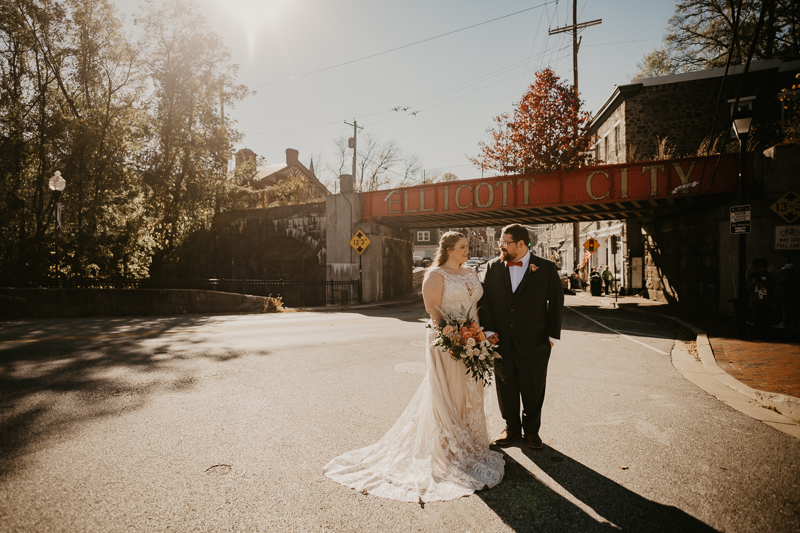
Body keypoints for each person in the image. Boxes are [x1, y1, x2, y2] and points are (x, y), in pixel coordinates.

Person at [323, 231, 504, 502]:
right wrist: (457, 337)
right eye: (463, 247)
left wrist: (478, 335)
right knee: (448, 392)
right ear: (450, 250)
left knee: (469, 390)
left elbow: (475, 306)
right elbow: (434, 313)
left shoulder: (469, 272)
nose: (468, 250)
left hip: (472, 338)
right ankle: (446, 446)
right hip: (447, 341)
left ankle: (471, 441)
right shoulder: (435, 275)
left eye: (467, 246)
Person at [478, 224, 564, 449]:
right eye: (500, 242)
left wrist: (552, 337)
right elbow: (485, 302)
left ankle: (532, 431)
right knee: (505, 387)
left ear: (521, 244)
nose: (501, 246)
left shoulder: (545, 268)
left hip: (535, 341)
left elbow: (556, 303)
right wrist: (488, 331)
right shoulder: (492, 267)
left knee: (533, 387)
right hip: (501, 341)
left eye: (505, 242)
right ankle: (511, 428)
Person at [747, 257, 776, 339]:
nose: (761, 273)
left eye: (763, 271)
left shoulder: (769, 276)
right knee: (757, 319)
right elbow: (747, 287)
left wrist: (765, 283)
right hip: (756, 301)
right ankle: (758, 333)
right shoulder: (752, 276)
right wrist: (753, 283)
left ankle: (766, 333)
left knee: (766, 318)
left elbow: (773, 286)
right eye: (760, 271)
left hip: (766, 301)